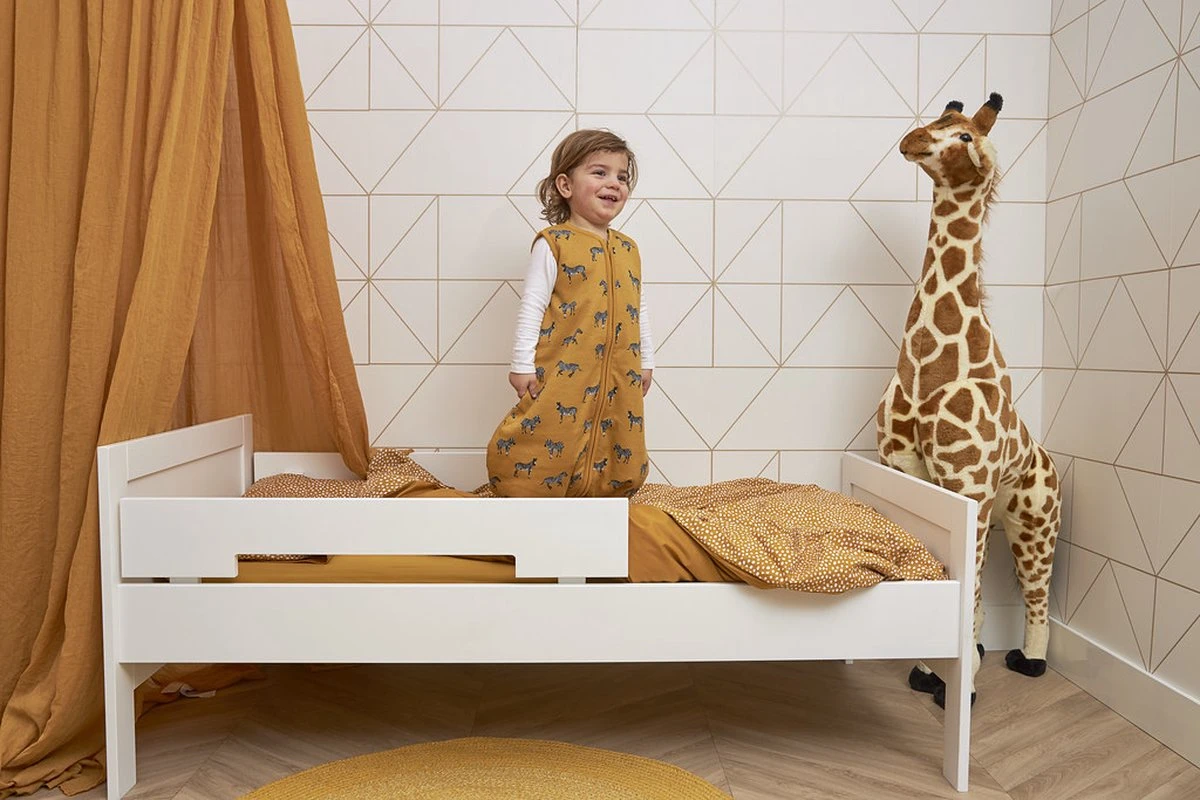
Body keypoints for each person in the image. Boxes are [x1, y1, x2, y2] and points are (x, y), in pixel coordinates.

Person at [485, 129, 655, 498]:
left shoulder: (629, 249)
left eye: (622, 176)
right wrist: (521, 364)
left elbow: (637, 307)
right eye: (600, 172)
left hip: (620, 369)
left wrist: (646, 360)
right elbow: (532, 306)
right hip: (564, 368)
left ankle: (601, 495)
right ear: (565, 185)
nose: (614, 183)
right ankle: (530, 491)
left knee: (620, 431)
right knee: (552, 428)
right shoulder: (554, 243)